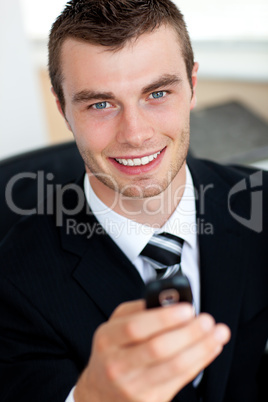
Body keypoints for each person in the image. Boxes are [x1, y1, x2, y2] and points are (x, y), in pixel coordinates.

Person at [0, 1, 267, 401]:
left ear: (192, 85)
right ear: (63, 108)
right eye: (101, 104)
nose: (136, 134)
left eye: (157, 93)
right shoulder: (13, 277)